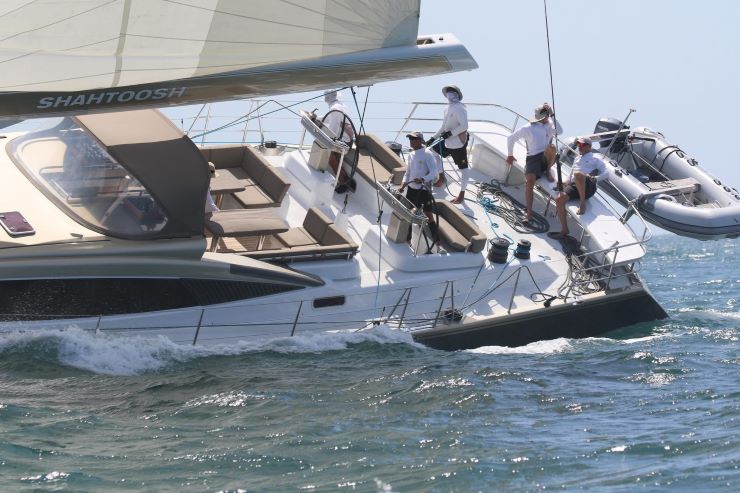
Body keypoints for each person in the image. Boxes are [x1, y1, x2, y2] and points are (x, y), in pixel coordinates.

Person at [506, 103, 563, 223]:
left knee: (552, 147)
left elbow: (560, 131)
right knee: (530, 181)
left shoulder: (550, 124)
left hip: (546, 157)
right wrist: (510, 155)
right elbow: (511, 138)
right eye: (546, 116)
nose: (547, 118)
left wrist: (552, 115)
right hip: (532, 158)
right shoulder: (527, 128)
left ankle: (548, 170)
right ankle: (529, 214)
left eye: (548, 116)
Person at [551, 136, 609, 238]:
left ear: (589, 147)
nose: (579, 147)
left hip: (588, 186)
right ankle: (564, 229)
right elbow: (571, 175)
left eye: (581, 145)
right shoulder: (577, 158)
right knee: (559, 199)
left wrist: (596, 178)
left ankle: (582, 204)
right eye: (578, 144)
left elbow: (606, 173)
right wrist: (565, 182)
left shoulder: (595, 159)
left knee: (578, 174)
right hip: (575, 186)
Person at [399, 132, 442, 250]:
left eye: (413, 138)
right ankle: (408, 241)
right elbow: (408, 172)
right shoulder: (411, 154)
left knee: (429, 216)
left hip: (424, 191)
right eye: (410, 138)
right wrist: (403, 184)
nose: (411, 140)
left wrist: (423, 179)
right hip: (411, 190)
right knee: (409, 214)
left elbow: (434, 172)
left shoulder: (427, 154)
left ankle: (438, 243)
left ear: (420, 140)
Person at [426, 85, 469, 204]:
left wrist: (450, 134)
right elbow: (443, 127)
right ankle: (441, 177)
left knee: (464, 170)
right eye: (447, 91)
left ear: (457, 94)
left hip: (458, 144)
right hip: (447, 142)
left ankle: (462, 194)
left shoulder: (460, 108)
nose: (449, 93)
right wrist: (432, 139)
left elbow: (464, 126)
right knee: (431, 152)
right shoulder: (447, 109)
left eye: (452, 91)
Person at [321, 89, 356, 194]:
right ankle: (345, 178)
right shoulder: (341, 105)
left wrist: (326, 139)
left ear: (327, 98)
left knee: (329, 155)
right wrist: (317, 119)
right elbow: (330, 118)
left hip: (344, 141)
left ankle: (343, 182)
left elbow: (333, 130)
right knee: (334, 156)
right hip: (349, 139)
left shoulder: (334, 108)